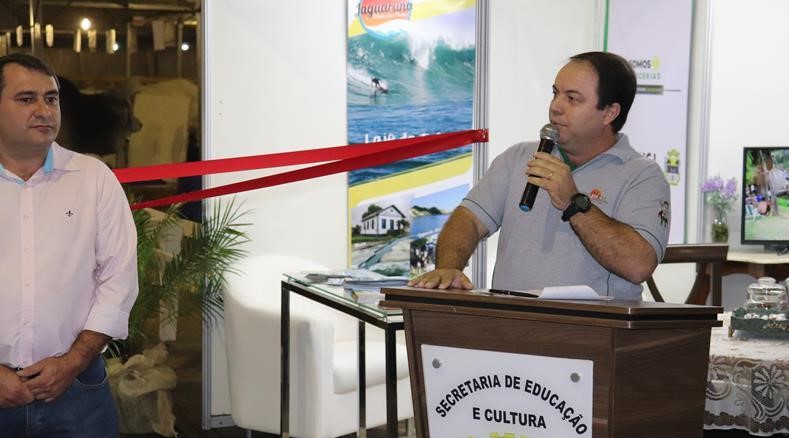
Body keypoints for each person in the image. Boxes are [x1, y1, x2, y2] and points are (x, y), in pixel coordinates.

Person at [408, 51, 670, 300]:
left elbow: (638, 266)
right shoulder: (518, 157)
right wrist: (449, 267)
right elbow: (469, 220)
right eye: (555, 93)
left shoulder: (641, 175)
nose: (556, 107)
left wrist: (573, 202)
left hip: (590, 328)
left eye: (572, 98)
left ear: (610, 112)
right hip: (509, 322)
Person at [0, 53, 138, 436]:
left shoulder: (93, 178)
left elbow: (119, 278)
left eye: (51, 98)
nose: (44, 110)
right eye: (26, 98)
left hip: (78, 391)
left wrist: (74, 361)